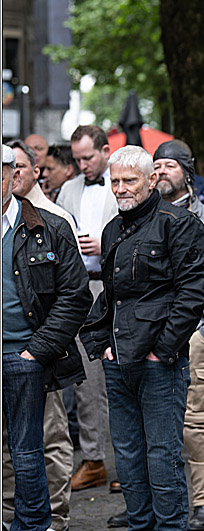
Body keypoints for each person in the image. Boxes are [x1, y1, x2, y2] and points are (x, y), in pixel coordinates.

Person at [78, 145, 204, 531]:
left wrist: (163, 349)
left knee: (163, 460)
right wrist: (103, 344)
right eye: (115, 181)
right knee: (130, 464)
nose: (120, 188)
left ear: (152, 179)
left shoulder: (181, 224)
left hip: (159, 363)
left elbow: (192, 294)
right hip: (119, 361)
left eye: (128, 180)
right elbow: (111, 297)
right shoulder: (114, 228)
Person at [2, 144, 91, 531]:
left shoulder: (49, 227)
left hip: (23, 356)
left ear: (10, 177)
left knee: (27, 453)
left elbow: (75, 296)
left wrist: (36, 349)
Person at [153, 141, 204, 531]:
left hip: (194, 339)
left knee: (197, 424)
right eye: (158, 166)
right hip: (149, 339)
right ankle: (157, 502)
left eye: (170, 165)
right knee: (150, 424)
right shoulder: (142, 218)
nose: (162, 172)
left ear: (187, 172)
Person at [56, 125, 119, 494]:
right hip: (82, 287)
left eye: (88, 158)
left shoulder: (124, 180)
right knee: (88, 380)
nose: (82, 165)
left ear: (105, 151)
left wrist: (104, 243)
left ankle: (130, 465)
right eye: (78, 159)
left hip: (118, 286)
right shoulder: (69, 189)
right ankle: (93, 458)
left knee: (127, 374)